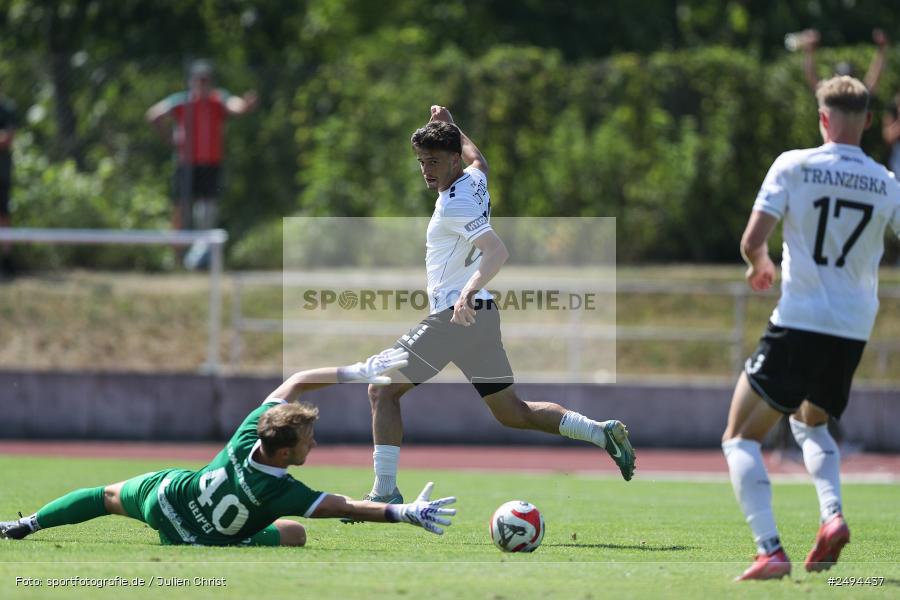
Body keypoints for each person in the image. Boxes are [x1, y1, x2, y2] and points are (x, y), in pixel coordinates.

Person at [351, 106, 636, 514]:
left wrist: (466, 292)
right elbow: (479, 159)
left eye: (434, 162)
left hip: (457, 315)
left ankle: (384, 493)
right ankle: (599, 432)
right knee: (512, 412)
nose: (426, 170)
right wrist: (452, 126)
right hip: (481, 317)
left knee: (382, 388)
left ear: (452, 160)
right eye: (421, 162)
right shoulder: (473, 179)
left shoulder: (455, 205)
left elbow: (497, 251)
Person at [0, 348, 458, 546]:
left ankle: (26, 524)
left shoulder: (249, 431)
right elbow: (350, 507)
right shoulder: (283, 492)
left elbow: (296, 381)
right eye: (308, 441)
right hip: (201, 538)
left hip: (167, 499)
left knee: (103, 496)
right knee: (294, 533)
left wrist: (355, 371)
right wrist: (406, 512)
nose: (314, 444)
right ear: (285, 453)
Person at [723, 75, 900, 581]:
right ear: (868, 121)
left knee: (739, 437)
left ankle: (770, 550)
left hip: (800, 320)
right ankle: (832, 516)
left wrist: (759, 264)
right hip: (853, 327)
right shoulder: (887, 182)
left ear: (823, 118)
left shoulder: (794, 165)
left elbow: (752, 239)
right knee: (810, 423)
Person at [146, 60, 257, 233]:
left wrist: (245, 105)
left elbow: (235, 106)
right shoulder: (182, 101)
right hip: (186, 162)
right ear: (192, 81)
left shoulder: (218, 99)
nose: (202, 84)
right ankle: (177, 248)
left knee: (207, 208)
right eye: (199, 80)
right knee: (181, 207)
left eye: (206, 80)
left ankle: (201, 244)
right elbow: (154, 115)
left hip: (211, 162)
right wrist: (170, 138)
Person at [798, 29, 889, 94]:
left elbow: (875, 74)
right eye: (842, 78)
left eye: (847, 78)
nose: (845, 82)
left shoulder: (859, 94)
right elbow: (811, 76)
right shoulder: (829, 94)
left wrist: (882, 50)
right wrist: (809, 51)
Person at [0, 94, 15, 278]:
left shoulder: (6, 109)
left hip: (1, 173)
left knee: (3, 216)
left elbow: (7, 139)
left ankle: (6, 261)